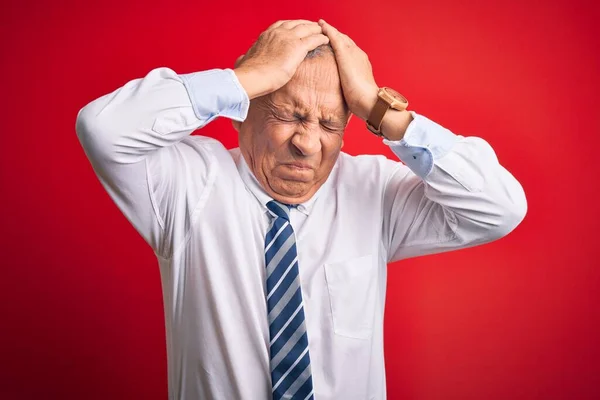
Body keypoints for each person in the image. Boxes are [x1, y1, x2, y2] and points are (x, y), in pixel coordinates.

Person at [75, 19, 527, 400]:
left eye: (330, 124)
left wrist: (377, 106)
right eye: (287, 115)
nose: (308, 143)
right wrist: (247, 76)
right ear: (240, 112)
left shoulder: (373, 191)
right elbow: (103, 128)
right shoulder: (189, 185)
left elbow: (499, 208)